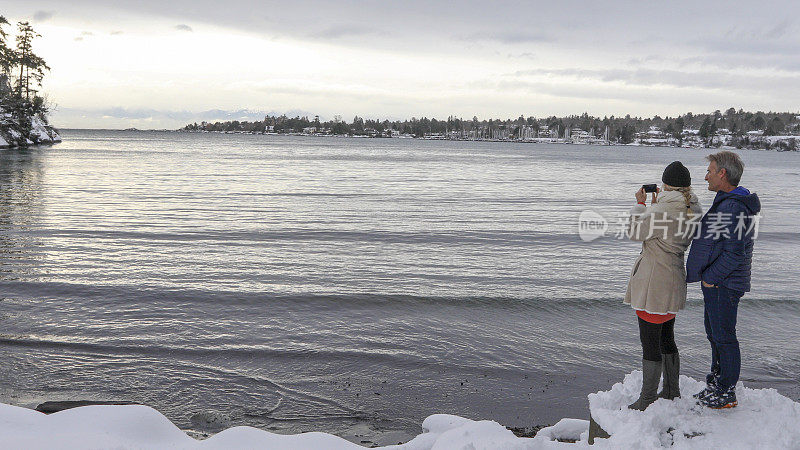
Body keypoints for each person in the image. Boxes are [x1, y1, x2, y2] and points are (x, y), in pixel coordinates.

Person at [624, 161, 702, 411]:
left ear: (665, 185)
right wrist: (657, 205)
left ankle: (647, 399)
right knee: (667, 336)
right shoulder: (693, 207)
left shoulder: (661, 211)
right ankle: (670, 390)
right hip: (674, 279)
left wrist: (640, 205)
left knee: (649, 341)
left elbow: (635, 233)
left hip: (654, 282)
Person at [686, 151, 761, 409]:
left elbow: (735, 254)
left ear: (723, 174)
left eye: (710, 170)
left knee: (724, 337)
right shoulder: (726, 200)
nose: (705, 175)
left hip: (724, 284)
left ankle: (726, 391)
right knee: (715, 335)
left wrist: (710, 278)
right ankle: (716, 384)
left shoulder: (734, 207)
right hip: (720, 283)